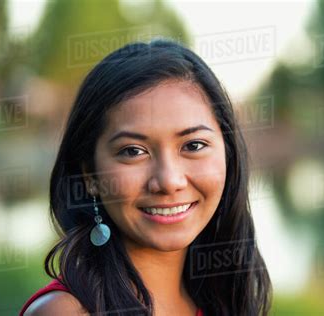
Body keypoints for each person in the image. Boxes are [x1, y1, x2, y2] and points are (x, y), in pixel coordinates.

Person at [19, 38, 272, 315]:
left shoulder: (223, 299)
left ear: (228, 155)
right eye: (133, 151)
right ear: (89, 174)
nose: (168, 181)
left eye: (193, 145)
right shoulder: (66, 312)